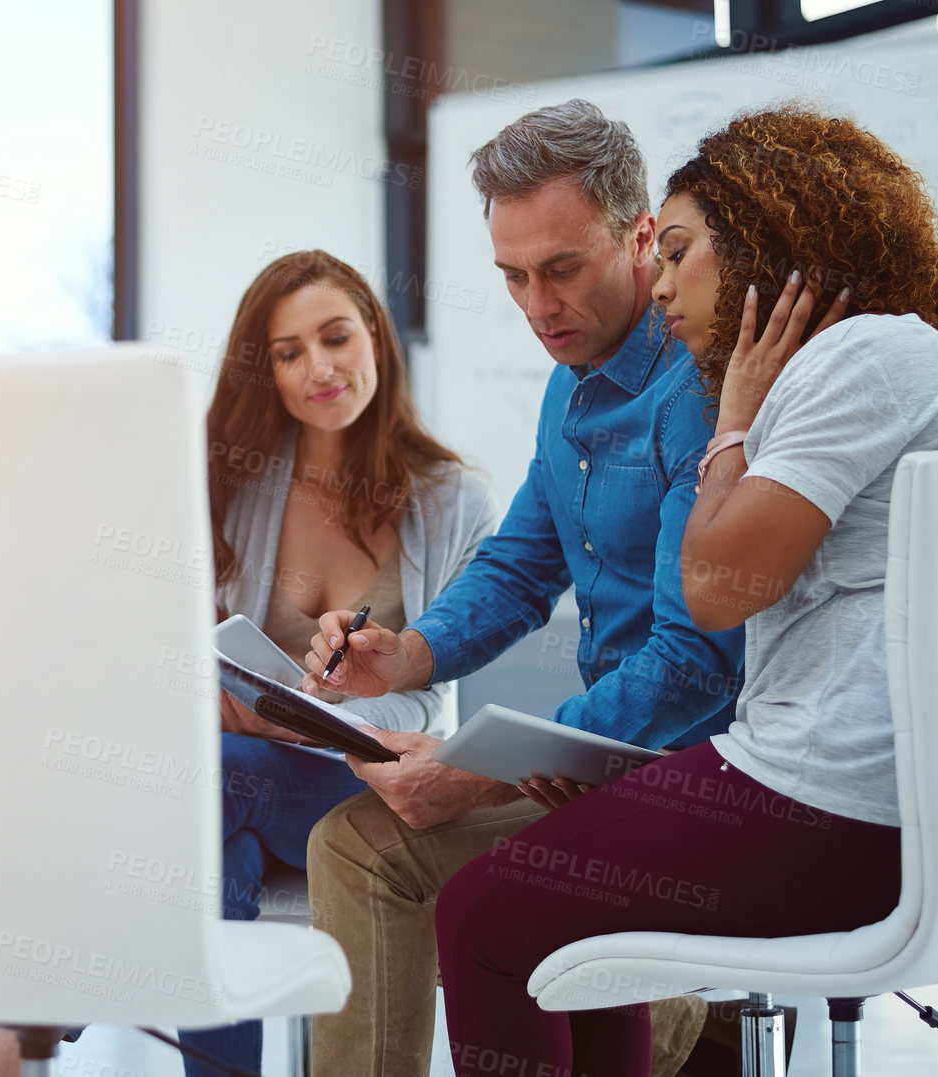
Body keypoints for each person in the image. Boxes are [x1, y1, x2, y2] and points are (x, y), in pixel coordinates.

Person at [428, 105, 938, 1074]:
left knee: (480, 915)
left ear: (767, 242)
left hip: (831, 805)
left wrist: (730, 420)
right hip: (854, 797)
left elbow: (716, 591)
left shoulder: (856, 359)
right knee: (557, 917)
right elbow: (540, 562)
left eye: (680, 251)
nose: (661, 286)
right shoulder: (861, 362)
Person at [0, 250, 499, 1077]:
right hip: (237, 785)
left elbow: (430, 708)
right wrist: (211, 693)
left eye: (336, 337)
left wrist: (314, 718)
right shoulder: (233, 483)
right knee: (217, 841)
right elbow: (166, 648)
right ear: (265, 370)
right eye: (288, 352)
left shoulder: (455, 499)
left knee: (213, 779)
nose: (320, 368)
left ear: (374, 336)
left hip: (362, 782)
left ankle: (32, 1023)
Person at [295, 99, 745, 1077]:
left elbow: (692, 662)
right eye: (512, 277)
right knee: (353, 847)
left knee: (484, 893)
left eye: (561, 270)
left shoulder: (696, 392)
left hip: (691, 787)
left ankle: (679, 1010)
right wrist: (406, 654)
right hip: (593, 777)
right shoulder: (570, 384)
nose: (537, 305)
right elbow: (519, 562)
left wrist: (480, 768)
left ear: (638, 238)